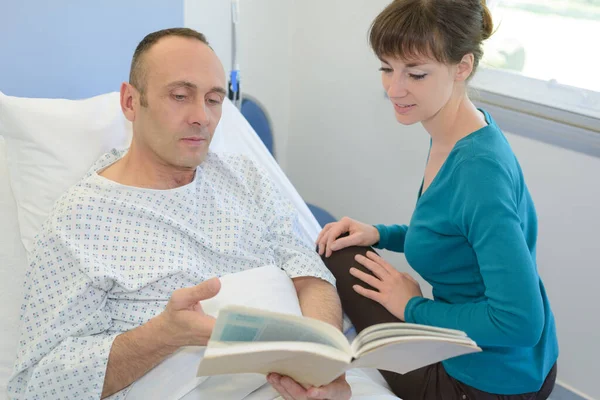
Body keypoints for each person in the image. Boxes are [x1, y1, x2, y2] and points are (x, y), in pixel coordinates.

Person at [7, 28, 351, 400]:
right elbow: (36, 385)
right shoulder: (80, 222)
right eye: (180, 96)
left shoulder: (245, 178)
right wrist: (163, 336)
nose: (201, 116)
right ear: (130, 103)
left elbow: (310, 275)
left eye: (214, 99)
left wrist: (321, 367)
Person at [316, 0, 559, 399]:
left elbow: (519, 321)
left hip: (485, 383)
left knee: (332, 256)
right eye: (386, 68)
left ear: (462, 67)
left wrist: (412, 307)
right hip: (523, 363)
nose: (394, 89)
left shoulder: (478, 171)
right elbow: (456, 232)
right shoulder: (460, 130)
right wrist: (380, 233)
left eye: (415, 73)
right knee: (343, 246)